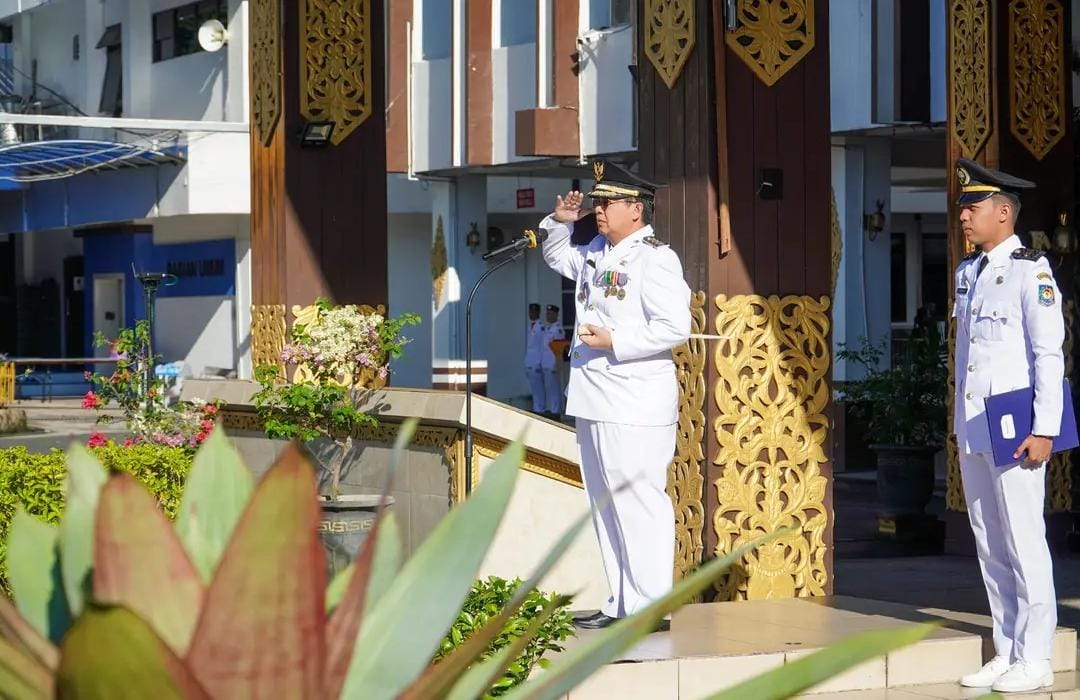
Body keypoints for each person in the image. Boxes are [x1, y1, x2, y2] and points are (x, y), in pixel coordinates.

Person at [539, 159, 691, 630]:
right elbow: (557, 258)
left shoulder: (655, 259)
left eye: (608, 203)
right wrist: (560, 223)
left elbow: (675, 327)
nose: (599, 210)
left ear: (636, 209)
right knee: (605, 502)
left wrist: (616, 341)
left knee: (639, 501)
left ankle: (651, 606)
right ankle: (622, 601)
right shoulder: (596, 251)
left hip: (634, 400)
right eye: (598, 202)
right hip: (594, 395)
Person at [952, 158, 1065, 693]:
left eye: (972, 207)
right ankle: (1007, 648)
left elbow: (1049, 355)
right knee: (990, 541)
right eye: (963, 208)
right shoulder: (967, 273)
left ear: (1003, 212)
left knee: (1024, 540)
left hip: (1017, 427)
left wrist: (1045, 429)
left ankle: (1036, 656)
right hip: (975, 424)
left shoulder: (1030, 271)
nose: (964, 217)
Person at [540, 304, 565, 418]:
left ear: (555, 315)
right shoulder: (548, 329)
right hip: (546, 363)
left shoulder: (558, 330)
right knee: (549, 389)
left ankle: (556, 412)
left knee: (555, 390)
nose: (548, 316)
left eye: (550, 314)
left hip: (553, 364)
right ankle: (551, 409)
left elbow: (559, 348)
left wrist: (556, 364)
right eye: (547, 313)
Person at [524, 303, 547, 414]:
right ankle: (536, 409)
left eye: (534, 312)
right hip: (529, 361)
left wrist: (540, 363)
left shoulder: (541, 327)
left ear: (538, 313)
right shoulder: (530, 326)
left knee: (538, 390)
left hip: (537, 363)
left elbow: (543, 346)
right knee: (534, 389)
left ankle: (540, 410)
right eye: (530, 312)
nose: (531, 314)